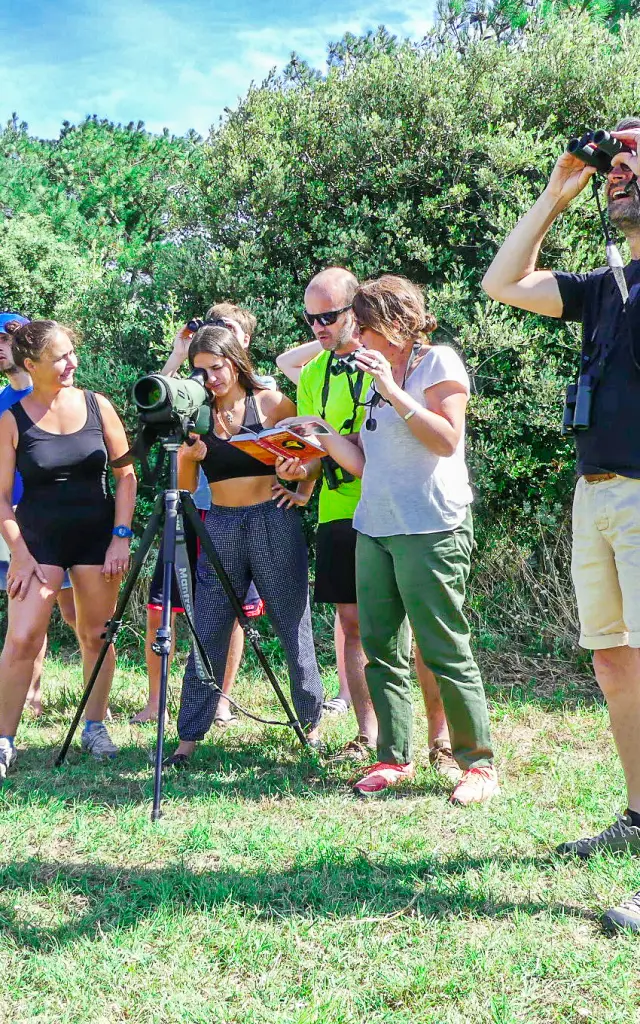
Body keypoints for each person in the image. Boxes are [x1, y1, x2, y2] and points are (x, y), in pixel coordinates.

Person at [482, 118, 640, 932]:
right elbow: (503, 283)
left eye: (635, 154)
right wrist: (556, 191)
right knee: (614, 664)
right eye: (614, 157)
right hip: (598, 492)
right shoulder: (606, 286)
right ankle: (639, 815)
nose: (619, 168)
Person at [280, 275, 498, 802]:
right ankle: (392, 757)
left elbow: (446, 440)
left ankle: (478, 765)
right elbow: (364, 462)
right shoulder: (372, 372)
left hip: (431, 525)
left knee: (444, 645)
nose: (360, 339)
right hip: (373, 526)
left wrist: (394, 391)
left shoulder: (436, 363)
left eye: (367, 328)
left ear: (396, 324)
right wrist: (320, 443)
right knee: (379, 646)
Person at [165, 323, 324, 765]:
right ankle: (188, 739)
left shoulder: (271, 403)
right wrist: (187, 459)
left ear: (235, 361)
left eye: (216, 368)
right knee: (207, 630)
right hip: (221, 524)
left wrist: (300, 487)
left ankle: (309, 727)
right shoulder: (197, 414)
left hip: (273, 520)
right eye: (200, 372)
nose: (210, 379)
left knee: (293, 625)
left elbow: (311, 463)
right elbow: (186, 487)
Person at [0, 319, 136, 778]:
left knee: (96, 635)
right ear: (31, 364)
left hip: (97, 538)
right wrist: (18, 550)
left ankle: (94, 725)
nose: (71, 363)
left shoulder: (99, 405)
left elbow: (126, 475)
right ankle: (4, 739)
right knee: (21, 639)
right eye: (59, 357)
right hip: (37, 542)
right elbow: (0, 497)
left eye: (71, 352)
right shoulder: (11, 420)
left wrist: (121, 535)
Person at [131, 303, 272, 726]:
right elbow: (158, 402)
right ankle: (156, 701)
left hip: (233, 514)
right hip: (187, 508)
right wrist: (178, 354)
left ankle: (222, 700)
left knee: (233, 611)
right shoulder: (194, 380)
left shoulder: (262, 391)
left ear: (242, 342)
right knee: (162, 606)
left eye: (225, 332)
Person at [0, 312, 77, 716]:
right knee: (25, 605)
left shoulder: (60, 391)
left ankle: (95, 697)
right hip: (12, 520)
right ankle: (29, 694)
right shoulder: (2, 404)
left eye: (5, 339)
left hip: (59, 520)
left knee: (71, 611)